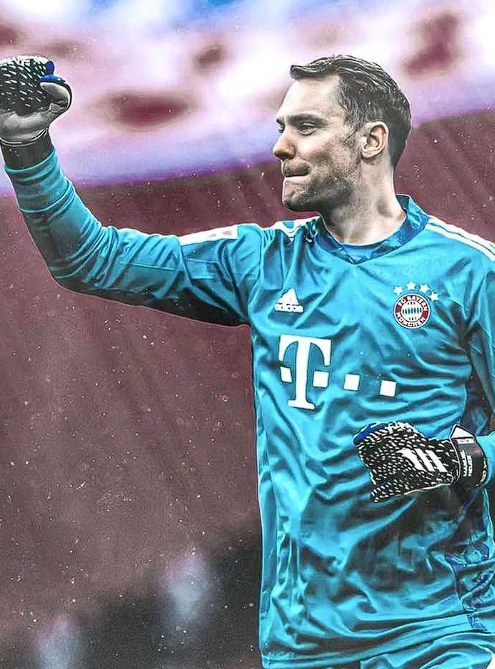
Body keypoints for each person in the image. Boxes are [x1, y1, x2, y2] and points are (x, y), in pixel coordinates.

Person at [2, 53, 495, 669]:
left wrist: (463, 458)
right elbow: (92, 261)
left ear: (372, 141)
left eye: (306, 127)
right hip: (305, 642)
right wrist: (27, 150)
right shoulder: (261, 263)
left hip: (438, 632)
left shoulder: (469, 274)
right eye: (281, 128)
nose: (282, 147)